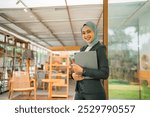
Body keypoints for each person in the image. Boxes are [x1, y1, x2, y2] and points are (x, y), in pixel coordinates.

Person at [72, 21, 109, 100]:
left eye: (89, 32)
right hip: (79, 91)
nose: (86, 35)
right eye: (83, 33)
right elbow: (80, 68)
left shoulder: (100, 48)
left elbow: (105, 73)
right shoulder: (83, 49)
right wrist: (74, 75)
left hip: (94, 93)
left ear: (95, 32)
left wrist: (83, 71)